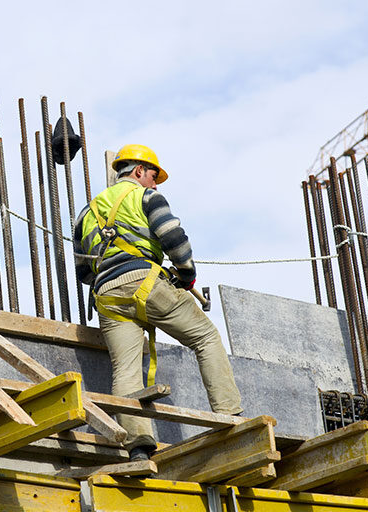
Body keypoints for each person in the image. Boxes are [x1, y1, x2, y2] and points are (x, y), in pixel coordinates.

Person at [73, 144, 243, 461]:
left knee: (125, 369)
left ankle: (138, 447)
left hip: (107, 296)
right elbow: (174, 239)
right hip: (146, 283)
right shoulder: (146, 197)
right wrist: (187, 275)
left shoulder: (86, 213)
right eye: (153, 176)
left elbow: (83, 272)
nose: (155, 184)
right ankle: (230, 416)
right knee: (206, 337)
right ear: (139, 171)